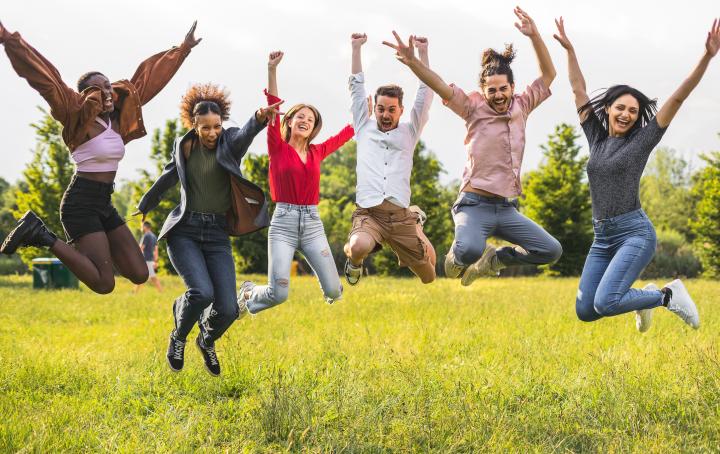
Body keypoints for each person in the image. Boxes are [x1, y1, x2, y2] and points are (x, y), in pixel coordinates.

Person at [0, 19, 200, 294]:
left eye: (108, 86)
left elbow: (148, 80)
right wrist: (8, 39)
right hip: (79, 203)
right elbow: (46, 80)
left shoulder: (118, 119)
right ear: (84, 96)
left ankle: (87, 251)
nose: (106, 93)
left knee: (140, 272)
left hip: (103, 201)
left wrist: (183, 50)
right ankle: (41, 235)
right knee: (105, 284)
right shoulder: (75, 117)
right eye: (97, 89)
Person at [553, 17, 719, 330]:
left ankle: (667, 296)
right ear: (608, 110)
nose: (627, 114)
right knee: (587, 310)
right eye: (620, 107)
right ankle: (646, 296)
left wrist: (707, 57)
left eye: (632, 110)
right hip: (602, 237)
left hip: (634, 233)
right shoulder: (597, 138)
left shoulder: (642, 141)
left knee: (607, 302)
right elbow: (578, 89)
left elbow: (678, 98)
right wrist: (570, 50)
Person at [384, 7, 562, 286]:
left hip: (506, 208)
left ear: (512, 87)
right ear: (483, 90)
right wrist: (412, 62)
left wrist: (535, 36)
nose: (499, 95)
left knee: (551, 250)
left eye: (503, 89)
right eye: (492, 90)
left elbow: (549, 74)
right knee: (469, 250)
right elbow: (439, 85)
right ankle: (459, 259)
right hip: (473, 205)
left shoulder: (523, 105)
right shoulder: (472, 107)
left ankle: (495, 260)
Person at [137, 83, 280, 376]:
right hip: (184, 231)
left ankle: (206, 339)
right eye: (205, 128)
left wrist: (259, 116)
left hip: (216, 233)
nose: (212, 133)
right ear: (193, 124)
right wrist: (146, 201)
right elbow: (168, 176)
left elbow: (245, 133)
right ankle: (178, 337)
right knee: (201, 293)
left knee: (227, 308)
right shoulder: (184, 145)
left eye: (216, 126)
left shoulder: (230, 142)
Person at [237, 51, 354, 314]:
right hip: (283, 224)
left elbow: (347, 133)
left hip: (312, 224)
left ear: (313, 129)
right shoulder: (277, 146)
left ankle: (331, 285)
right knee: (278, 294)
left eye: (310, 120)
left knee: (335, 292)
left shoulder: (317, 152)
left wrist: (363, 113)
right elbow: (274, 105)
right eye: (300, 116)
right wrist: (272, 69)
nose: (305, 121)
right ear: (288, 122)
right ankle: (247, 293)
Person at [343, 32, 436, 286]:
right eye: (381, 108)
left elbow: (426, 92)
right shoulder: (363, 126)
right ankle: (354, 263)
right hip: (369, 213)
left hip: (400, 216)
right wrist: (355, 48)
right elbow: (356, 87)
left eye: (391, 110)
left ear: (401, 111)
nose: (385, 114)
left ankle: (415, 219)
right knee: (358, 245)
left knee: (429, 275)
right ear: (376, 107)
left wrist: (422, 54)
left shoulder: (410, 131)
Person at [132, 221, 162, 294]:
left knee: (151, 277)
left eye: (142, 226)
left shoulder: (146, 235)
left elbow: (141, 248)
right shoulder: (154, 236)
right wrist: (156, 261)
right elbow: (156, 250)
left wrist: (135, 257)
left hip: (146, 260)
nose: (141, 228)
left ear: (145, 227)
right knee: (142, 276)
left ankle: (161, 292)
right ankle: (134, 292)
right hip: (151, 260)